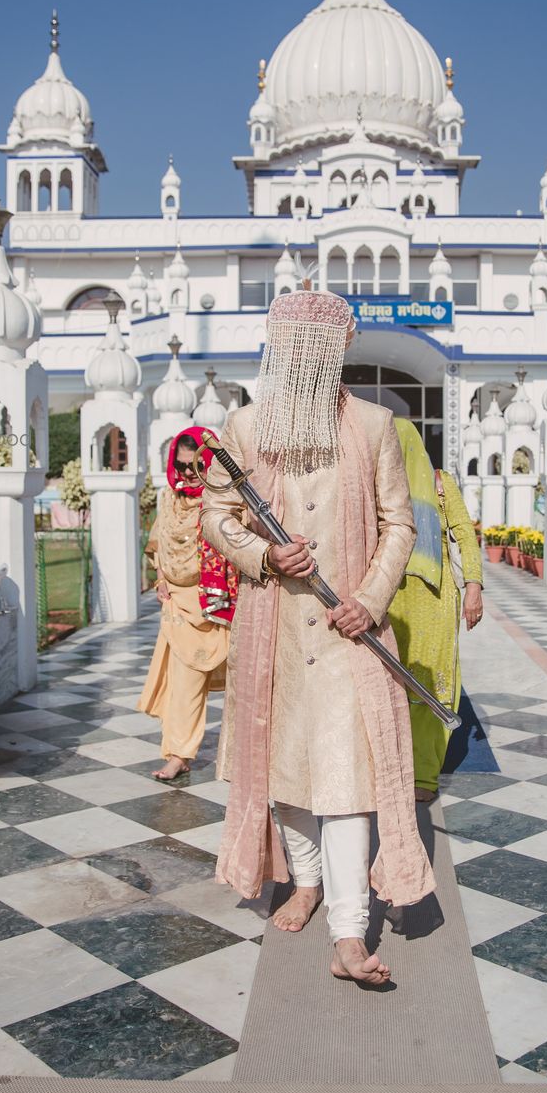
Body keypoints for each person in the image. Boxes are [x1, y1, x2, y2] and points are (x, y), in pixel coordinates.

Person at [200, 288, 434, 987]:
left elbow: (400, 525)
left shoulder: (372, 425)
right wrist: (266, 557)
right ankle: (304, 880)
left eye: (316, 349)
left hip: (347, 637)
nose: (303, 361)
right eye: (292, 348)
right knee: (283, 769)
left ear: (336, 353)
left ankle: (349, 934)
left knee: (348, 778)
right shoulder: (243, 431)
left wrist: (368, 598)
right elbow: (218, 515)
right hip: (271, 627)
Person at [387, 419, 483, 801]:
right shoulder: (375, 486)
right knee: (391, 682)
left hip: (436, 596)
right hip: (388, 596)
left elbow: (464, 534)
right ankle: (395, 767)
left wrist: (473, 586)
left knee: (431, 682)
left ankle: (424, 775)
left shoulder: (441, 483)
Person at [136, 426, 237, 782]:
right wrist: (161, 578)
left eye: (193, 468)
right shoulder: (169, 497)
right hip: (178, 604)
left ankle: (248, 755)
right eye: (179, 467)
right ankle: (179, 754)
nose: (185, 475)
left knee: (242, 681)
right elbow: (158, 542)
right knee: (182, 683)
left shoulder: (222, 500)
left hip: (213, 603)